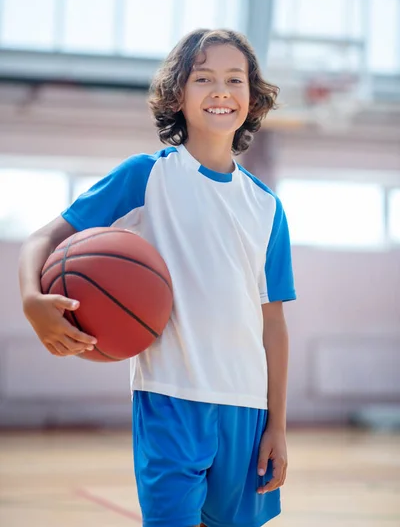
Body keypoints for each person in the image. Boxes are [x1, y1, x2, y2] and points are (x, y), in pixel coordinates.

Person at [19, 28, 296, 527]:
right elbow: (42, 239)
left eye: (235, 79)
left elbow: (272, 324)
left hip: (247, 406)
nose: (220, 90)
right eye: (203, 78)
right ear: (177, 94)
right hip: (170, 398)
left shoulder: (267, 207)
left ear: (251, 97)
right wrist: (30, 298)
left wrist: (277, 423)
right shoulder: (145, 176)